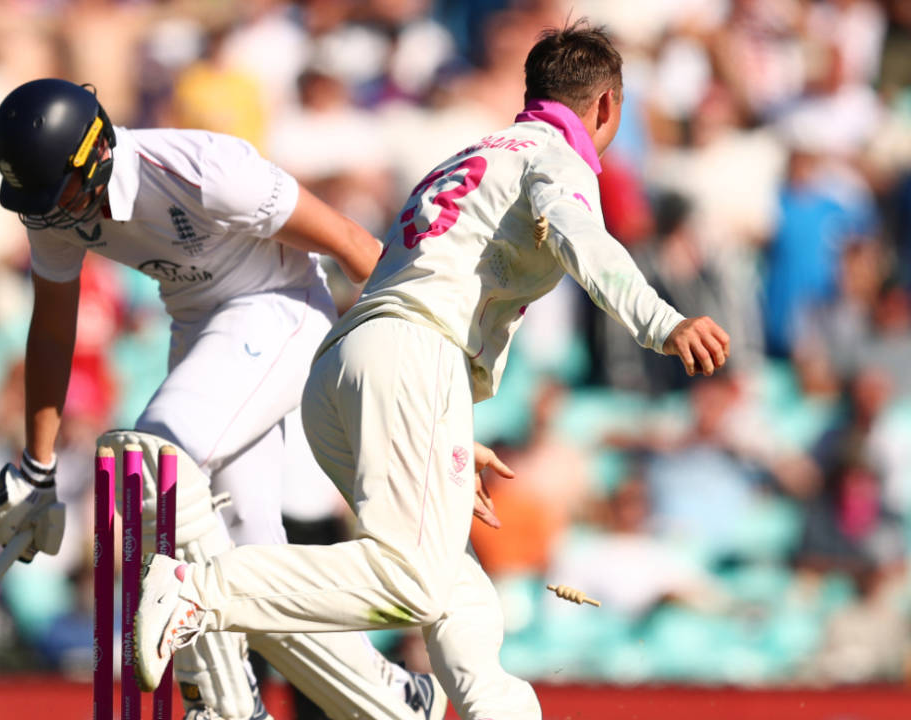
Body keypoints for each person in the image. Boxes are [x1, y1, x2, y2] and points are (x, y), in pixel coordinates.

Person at [134, 22, 732, 720]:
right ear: (607, 109)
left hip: (346, 368)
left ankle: (496, 711)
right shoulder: (557, 159)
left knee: (451, 581)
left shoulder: (467, 155)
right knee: (413, 578)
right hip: (410, 356)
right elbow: (585, 243)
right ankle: (199, 590)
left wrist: (445, 429)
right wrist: (667, 322)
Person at [0, 79, 446, 720]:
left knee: (149, 469)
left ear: (95, 155)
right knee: (252, 554)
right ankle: (393, 698)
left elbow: (354, 246)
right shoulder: (53, 208)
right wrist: (36, 469)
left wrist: (431, 387)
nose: (44, 215)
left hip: (281, 309)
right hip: (200, 330)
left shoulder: (207, 171)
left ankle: (223, 703)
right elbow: (53, 328)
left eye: (52, 195)